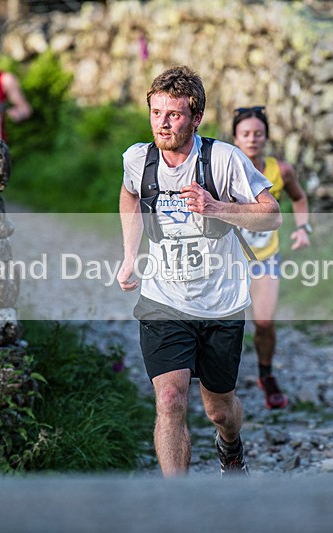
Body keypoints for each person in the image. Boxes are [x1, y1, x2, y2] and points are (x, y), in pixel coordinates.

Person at [117, 66, 281, 477]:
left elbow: (271, 215)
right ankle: (179, 505)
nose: (162, 123)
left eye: (172, 115)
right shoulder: (139, 159)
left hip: (220, 302)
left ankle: (230, 446)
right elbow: (129, 195)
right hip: (163, 299)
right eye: (156, 113)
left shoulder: (224, 159)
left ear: (195, 117)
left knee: (219, 410)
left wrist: (216, 207)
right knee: (170, 399)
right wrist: (129, 254)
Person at [233, 106, 312, 410]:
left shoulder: (282, 171)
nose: (252, 139)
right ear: (236, 138)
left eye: (258, 134)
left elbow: (299, 197)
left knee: (264, 322)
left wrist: (303, 228)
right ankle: (212, 379)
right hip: (229, 260)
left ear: (266, 137)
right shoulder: (224, 168)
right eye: (245, 134)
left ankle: (266, 375)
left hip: (266, 257)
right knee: (224, 324)